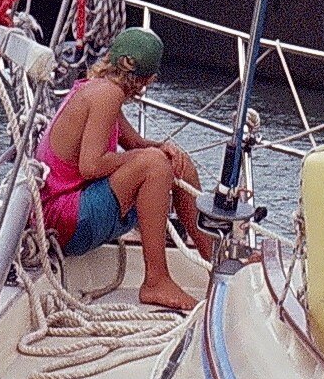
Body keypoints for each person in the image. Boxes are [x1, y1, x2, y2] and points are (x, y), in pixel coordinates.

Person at [36, 27, 206, 311]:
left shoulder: (98, 88)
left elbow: (135, 144)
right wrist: (152, 156)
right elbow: (90, 166)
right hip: (64, 220)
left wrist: (163, 149)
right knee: (154, 164)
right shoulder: (107, 95)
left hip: (70, 211)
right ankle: (156, 281)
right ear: (148, 80)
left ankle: (214, 258)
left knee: (176, 161)